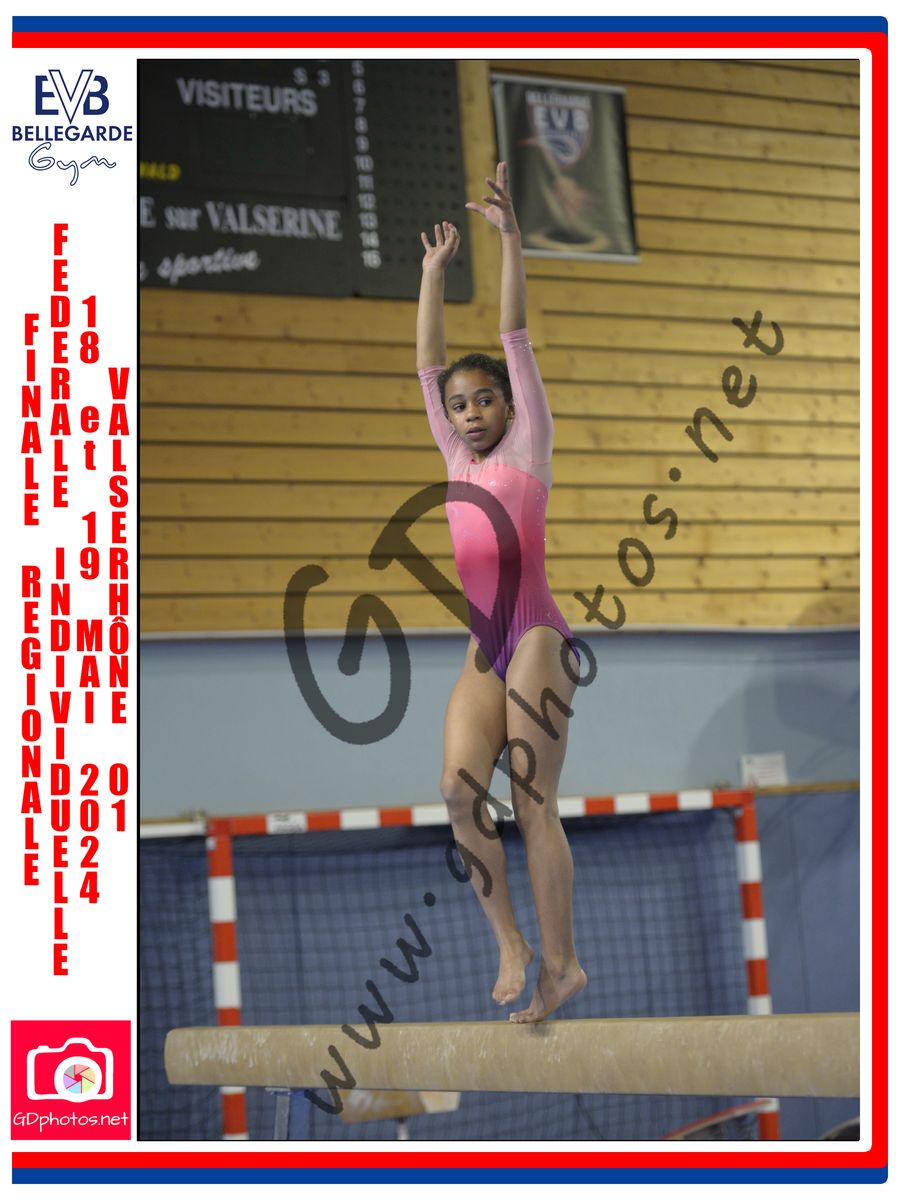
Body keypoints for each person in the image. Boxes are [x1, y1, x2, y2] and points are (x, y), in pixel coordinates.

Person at [416, 162, 587, 1023]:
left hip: (536, 636)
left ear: (510, 407)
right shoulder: (455, 460)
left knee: (529, 801)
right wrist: (431, 275)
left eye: (486, 400)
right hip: (483, 642)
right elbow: (427, 366)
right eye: (460, 405)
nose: (473, 411)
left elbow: (513, 335)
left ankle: (562, 965)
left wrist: (511, 238)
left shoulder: (529, 447)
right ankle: (510, 943)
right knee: (457, 790)